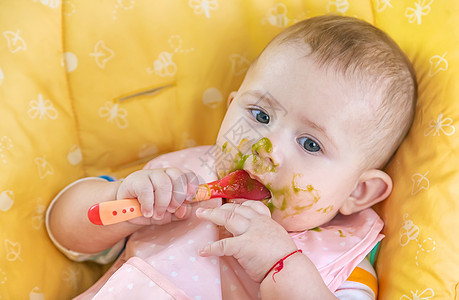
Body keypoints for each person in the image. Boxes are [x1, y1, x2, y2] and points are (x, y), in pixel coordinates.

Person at [46, 15, 417, 299]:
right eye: (260, 116)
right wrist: (123, 200)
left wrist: (281, 268)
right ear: (230, 109)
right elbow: (64, 230)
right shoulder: (181, 179)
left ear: (359, 192)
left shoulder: (341, 261)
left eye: (310, 144)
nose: (265, 150)